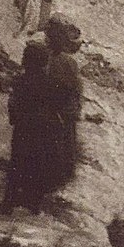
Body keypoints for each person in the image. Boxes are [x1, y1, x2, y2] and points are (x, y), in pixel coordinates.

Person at [2, 41, 58, 212]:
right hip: (41, 129)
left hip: (24, 128)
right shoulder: (49, 82)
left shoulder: (22, 80)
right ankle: (33, 202)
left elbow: (14, 103)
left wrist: (15, 118)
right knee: (37, 164)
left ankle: (9, 201)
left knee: (17, 162)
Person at [42, 17, 85, 195]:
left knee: (55, 143)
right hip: (64, 108)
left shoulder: (54, 60)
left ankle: (51, 178)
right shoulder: (67, 62)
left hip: (58, 108)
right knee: (64, 142)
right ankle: (59, 174)